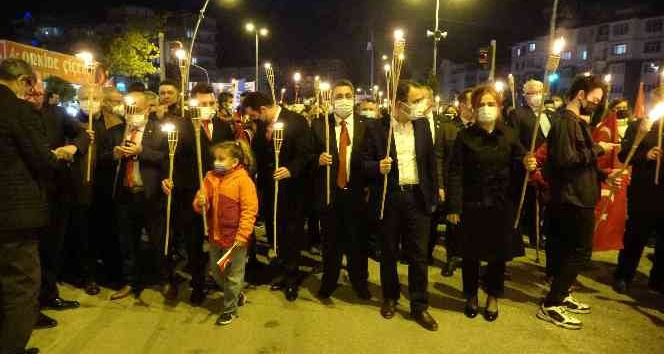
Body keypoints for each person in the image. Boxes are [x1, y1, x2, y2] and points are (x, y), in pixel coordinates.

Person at [537, 75, 621, 329]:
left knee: (568, 250)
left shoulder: (577, 122)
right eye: (594, 100)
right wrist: (599, 149)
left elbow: (582, 166)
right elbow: (566, 160)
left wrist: (605, 175)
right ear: (581, 95)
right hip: (571, 198)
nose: (596, 105)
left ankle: (561, 294)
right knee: (580, 252)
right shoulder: (565, 121)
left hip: (580, 194)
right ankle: (551, 303)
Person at [447, 85, 536, 322]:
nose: (486, 109)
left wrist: (528, 163)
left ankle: (493, 296)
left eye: (491, 104)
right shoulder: (464, 137)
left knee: (497, 256)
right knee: (470, 255)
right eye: (481, 105)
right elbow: (455, 173)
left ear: (499, 107)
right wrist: (454, 207)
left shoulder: (509, 134)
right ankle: (471, 295)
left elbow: (521, 159)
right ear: (473, 109)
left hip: (501, 204)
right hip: (472, 204)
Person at [361, 80, 438, 331]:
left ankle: (419, 305)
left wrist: (434, 194)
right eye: (415, 101)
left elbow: (429, 162)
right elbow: (361, 163)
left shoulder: (423, 125)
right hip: (389, 197)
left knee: (418, 255)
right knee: (389, 252)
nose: (420, 106)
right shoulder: (376, 128)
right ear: (398, 103)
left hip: (417, 197)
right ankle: (390, 297)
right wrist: (376, 167)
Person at [0, 58, 59, 354]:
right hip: (14, 215)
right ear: (23, 81)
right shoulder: (17, 110)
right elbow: (42, 159)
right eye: (31, 84)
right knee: (21, 286)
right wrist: (60, 155)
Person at [161, 82, 234, 304]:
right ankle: (198, 284)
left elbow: (231, 154)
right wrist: (168, 177)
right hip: (190, 194)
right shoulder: (181, 126)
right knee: (194, 243)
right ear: (193, 104)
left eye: (211, 103)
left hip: (220, 192)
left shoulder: (223, 127)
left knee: (222, 240)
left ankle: (225, 282)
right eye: (203, 104)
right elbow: (170, 157)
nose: (208, 107)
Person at [243, 92, 312, 302]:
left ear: (263, 110)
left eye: (254, 115)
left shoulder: (296, 121)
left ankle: (292, 279)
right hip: (268, 187)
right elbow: (257, 152)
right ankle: (281, 269)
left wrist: (291, 169)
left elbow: (306, 153)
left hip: (291, 189)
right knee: (275, 232)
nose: (253, 119)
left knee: (290, 233)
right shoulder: (263, 125)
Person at [108, 91, 170, 301]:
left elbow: (166, 159)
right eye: (127, 109)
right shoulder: (116, 131)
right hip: (125, 193)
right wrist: (114, 155)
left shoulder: (159, 132)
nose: (130, 114)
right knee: (127, 241)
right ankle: (130, 281)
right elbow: (102, 157)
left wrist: (142, 151)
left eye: (135, 109)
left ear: (147, 109)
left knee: (158, 240)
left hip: (149, 194)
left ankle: (165, 279)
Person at [313, 80, 370, 300]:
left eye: (348, 95)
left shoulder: (367, 125)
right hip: (330, 193)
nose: (344, 100)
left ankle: (359, 281)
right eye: (339, 96)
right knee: (330, 243)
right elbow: (308, 155)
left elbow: (372, 158)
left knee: (357, 242)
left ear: (354, 98)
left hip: (357, 193)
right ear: (331, 100)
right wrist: (317, 160)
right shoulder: (320, 125)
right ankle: (329, 281)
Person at [193, 140, 258, 325]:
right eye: (216, 158)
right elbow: (198, 203)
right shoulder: (210, 178)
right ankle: (236, 293)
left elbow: (249, 210)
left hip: (235, 238)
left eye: (222, 158)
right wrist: (200, 202)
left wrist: (243, 235)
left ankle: (230, 308)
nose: (217, 162)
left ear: (235, 161)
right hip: (216, 235)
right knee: (216, 270)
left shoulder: (243, 181)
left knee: (233, 274)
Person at [612, 99, 664, 294]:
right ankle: (624, 275)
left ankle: (658, 280)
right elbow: (624, 155)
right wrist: (646, 155)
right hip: (644, 193)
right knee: (635, 236)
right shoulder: (639, 126)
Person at [507, 79, 554, 250]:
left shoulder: (551, 114)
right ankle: (519, 236)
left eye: (538, 92)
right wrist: (526, 156)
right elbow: (513, 139)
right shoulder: (517, 114)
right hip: (526, 166)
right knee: (526, 202)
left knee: (542, 204)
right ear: (524, 96)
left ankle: (539, 235)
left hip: (547, 168)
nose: (535, 96)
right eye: (531, 93)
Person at [437, 88, 474, 277]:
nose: (474, 105)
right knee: (453, 223)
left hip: (476, 185)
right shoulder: (448, 128)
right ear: (460, 106)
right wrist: (440, 185)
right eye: (470, 101)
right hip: (454, 183)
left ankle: (470, 258)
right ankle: (452, 257)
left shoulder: (482, 128)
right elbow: (439, 157)